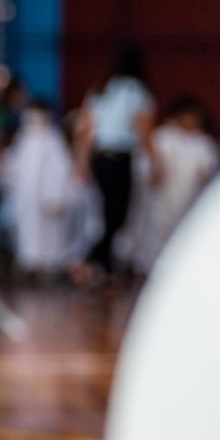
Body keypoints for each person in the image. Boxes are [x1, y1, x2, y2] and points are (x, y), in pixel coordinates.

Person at [117, 95, 220, 276]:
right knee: (153, 241)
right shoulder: (162, 137)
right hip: (160, 201)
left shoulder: (202, 143)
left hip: (188, 202)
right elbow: (147, 170)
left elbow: (209, 172)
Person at [80, 46, 155, 281]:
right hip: (119, 158)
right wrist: (155, 160)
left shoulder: (101, 90)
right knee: (117, 214)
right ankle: (89, 259)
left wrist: (82, 162)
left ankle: (104, 265)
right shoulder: (137, 92)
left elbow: (86, 132)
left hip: (100, 157)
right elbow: (144, 131)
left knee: (108, 213)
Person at [0, 96, 87, 277]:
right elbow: (12, 168)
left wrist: (57, 194)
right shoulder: (23, 139)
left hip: (46, 201)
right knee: (27, 235)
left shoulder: (53, 140)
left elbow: (61, 170)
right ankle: (29, 266)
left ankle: (48, 269)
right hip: (25, 200)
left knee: (48, 239)